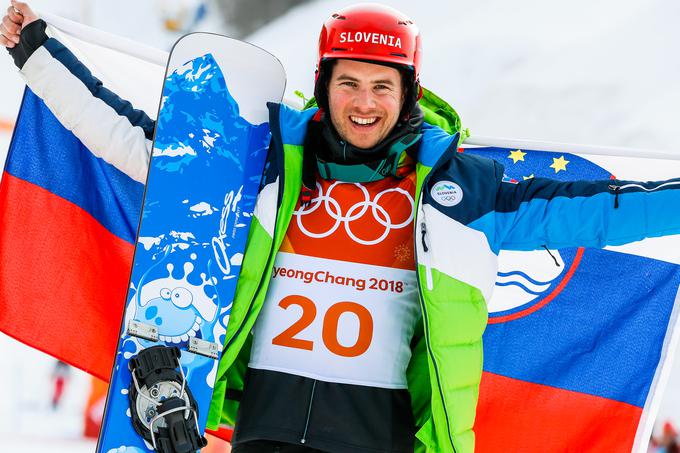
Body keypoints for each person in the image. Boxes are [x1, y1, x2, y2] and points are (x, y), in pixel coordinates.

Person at [3, 1, 680, 452]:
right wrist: (36, 53)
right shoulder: (261, 161)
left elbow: (602, 209)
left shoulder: (456, 191)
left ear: (407, 94)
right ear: (323, 85)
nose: (364, 102)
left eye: (383, 87)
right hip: (264, 422)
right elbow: (129, 138)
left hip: (376, 434)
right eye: (349, 83)